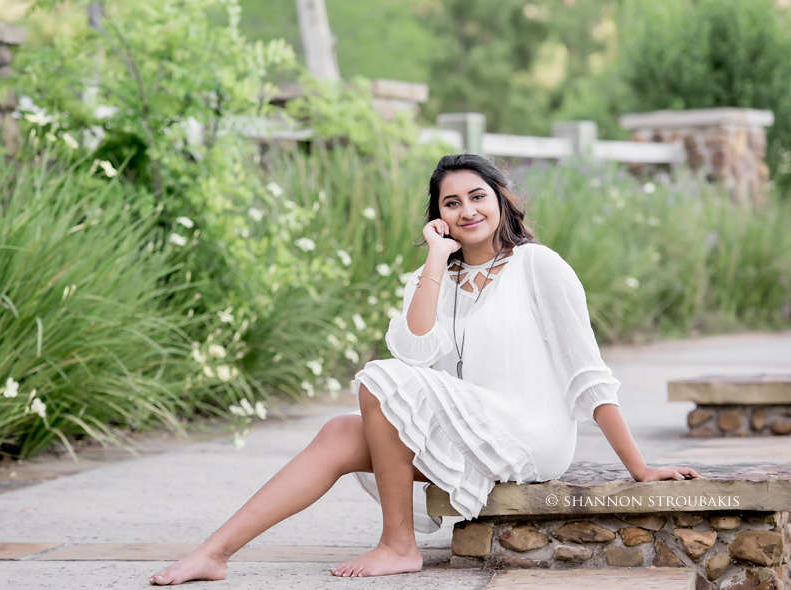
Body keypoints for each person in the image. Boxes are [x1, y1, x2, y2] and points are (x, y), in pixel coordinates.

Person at [149, 153, 700, 585]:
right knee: (341, 430)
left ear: (503, 200)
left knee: (378, 380)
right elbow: (413, 353)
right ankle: (215, 552)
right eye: (452, 202)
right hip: (468, 425)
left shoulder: (538, 265)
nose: (468, 211)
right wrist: (436, 260)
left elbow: (588, 372)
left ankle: (398, 544)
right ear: (439, 216)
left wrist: (639, 467)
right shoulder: (432, 277)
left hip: (529, 433)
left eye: (477, 196)